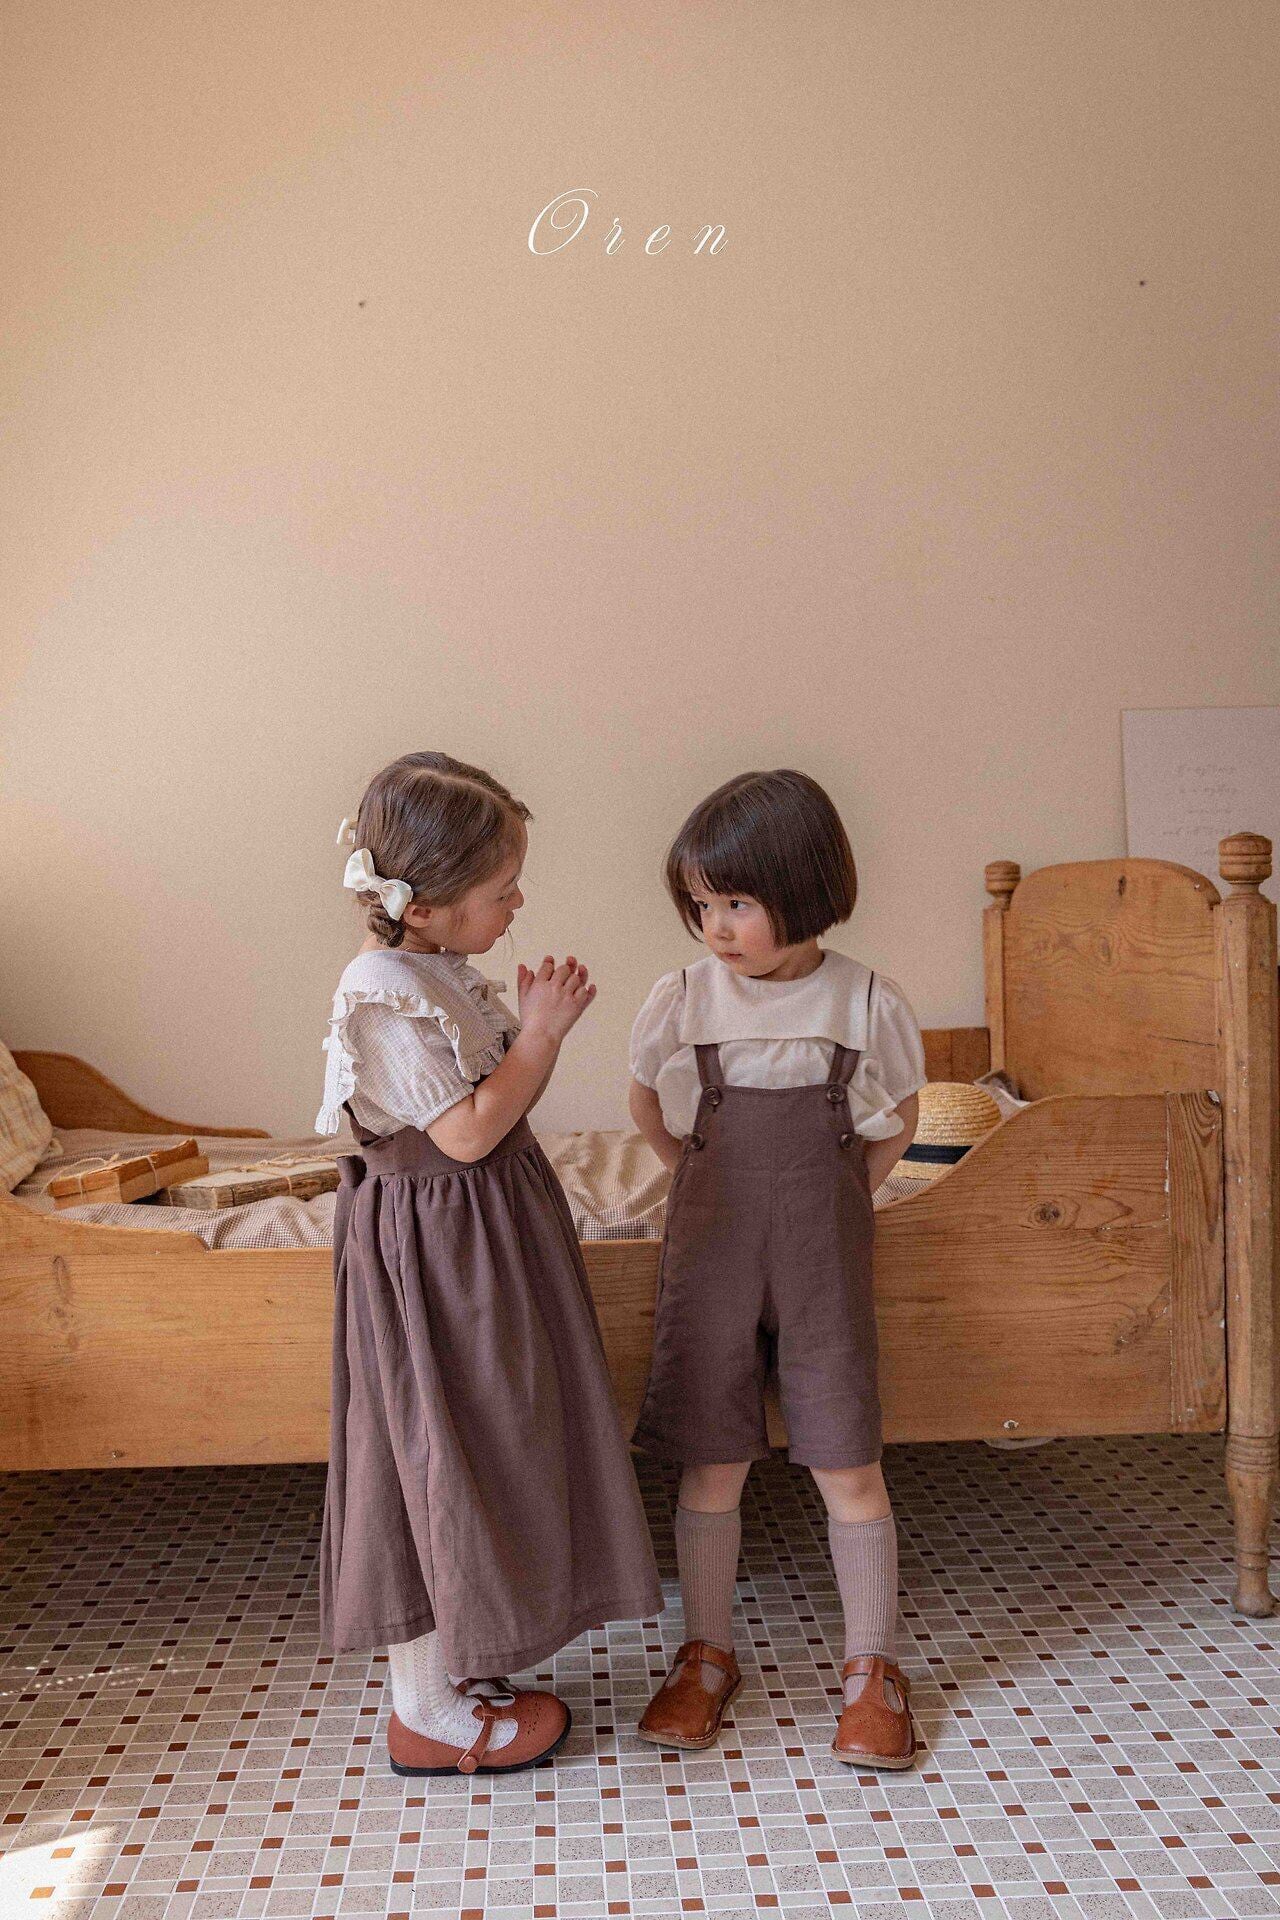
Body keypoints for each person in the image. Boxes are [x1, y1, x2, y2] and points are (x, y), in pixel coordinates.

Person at [315, 750, 662, 1777]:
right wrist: (543, 1037)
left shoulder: (430, 969)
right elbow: (465, 1133)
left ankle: (463, 1667)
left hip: (479, 1237)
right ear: (422, 906)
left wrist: (528, 1035)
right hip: (439, 1255)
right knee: (432, 1454)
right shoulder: (381, 990)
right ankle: (424, 1711)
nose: (517, 903)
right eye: (501, 889)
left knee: (491, 1442)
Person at [628, 769, 924, 1769]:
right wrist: (695, 1173)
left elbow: (898, 1120)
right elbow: (646, 1104)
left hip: (818, 1254)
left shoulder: (865, 1000)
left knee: (847, 1458)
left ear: (805, 890)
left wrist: (839, 1195)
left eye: (737, 904)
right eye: (700, 904)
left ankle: (872, 1668)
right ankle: (704, 1656)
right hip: (713, 1245)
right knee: (711, 1457)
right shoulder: (682, 998)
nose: (714, 926)